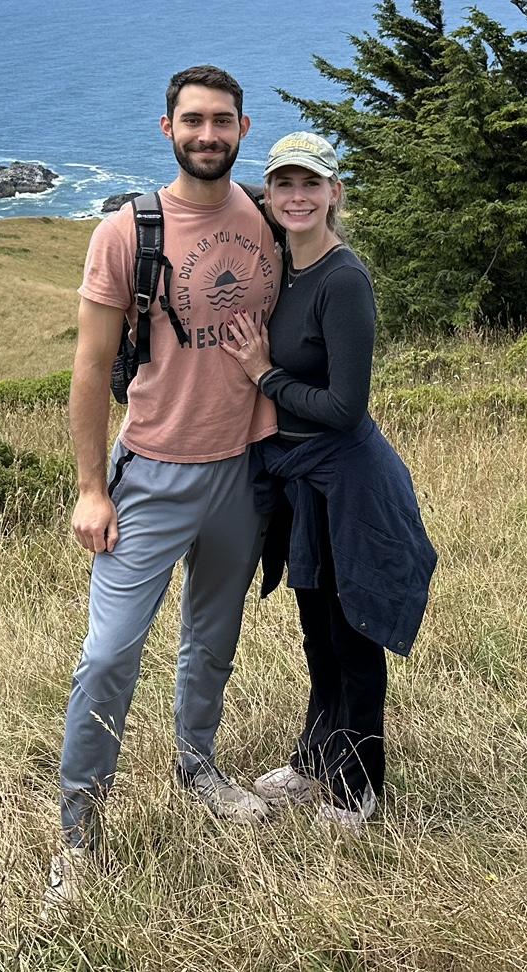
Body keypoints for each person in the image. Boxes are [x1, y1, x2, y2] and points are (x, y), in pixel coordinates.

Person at [50, 64, 283, 904]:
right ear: (167, 129)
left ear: (243, 129)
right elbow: (88, 369)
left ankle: (198, 767)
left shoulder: (266, 217)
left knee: (212, 640)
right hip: (150, 473)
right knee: (109, 654)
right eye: (193, 120)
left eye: (222, 120)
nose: (207, 134)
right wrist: (91, 488)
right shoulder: (126, 232)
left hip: (244, 469)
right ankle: (79, 836)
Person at [221, 131, 437, 831]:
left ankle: (358, 789)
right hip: (302, 482)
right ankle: (316, 759)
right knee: (317, 630)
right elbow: (221, 197)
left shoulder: (343, 280)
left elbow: (346, 407)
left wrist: (265, 376)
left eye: (311, 184)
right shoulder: (283, 263)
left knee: (353, 635)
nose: (296, 197)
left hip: (349, 480)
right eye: (283, 184)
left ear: (334, 193)